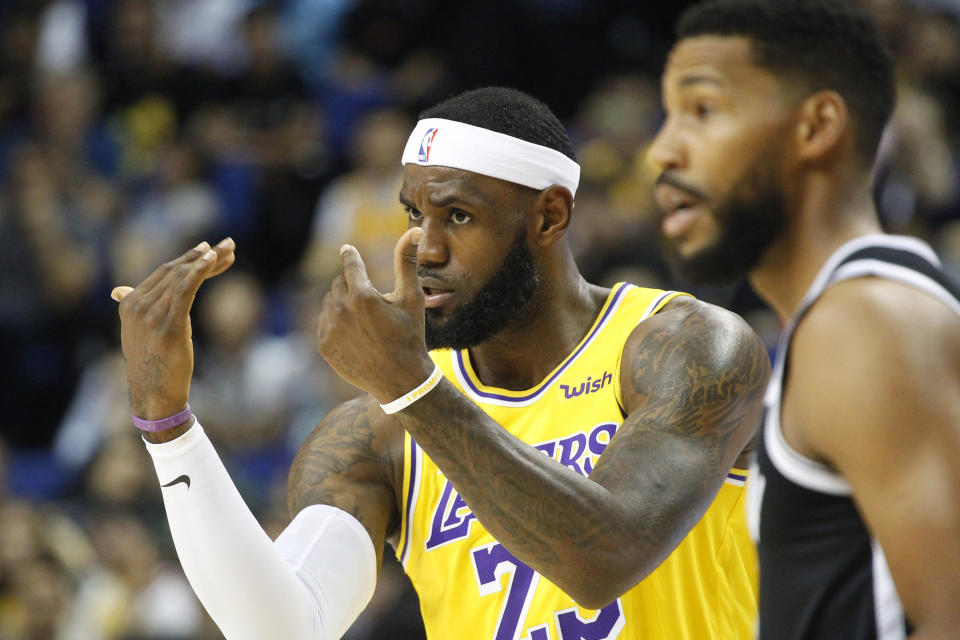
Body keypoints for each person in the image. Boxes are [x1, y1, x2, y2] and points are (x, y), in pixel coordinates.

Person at [111, 87, 770, 639]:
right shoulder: (377, 433)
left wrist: (412, 388)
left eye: (458, 215)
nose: (424, 249)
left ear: (548, 216)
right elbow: (284, 629)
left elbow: (606, 557)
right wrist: (169, 428)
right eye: (414, 214)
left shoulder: (684, 346)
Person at [649, 2, 960, 638]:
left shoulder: (864, 322)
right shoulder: (846, 316)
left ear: (816, 127)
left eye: (703, 111)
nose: (663, 150)